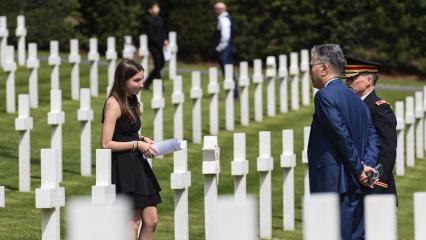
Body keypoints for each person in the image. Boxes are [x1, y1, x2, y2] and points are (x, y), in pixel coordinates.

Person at [307, 44, 379, 240]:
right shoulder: (358, 99)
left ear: (323, 68)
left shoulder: (324, 96)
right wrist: (366, 167)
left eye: (311, 65)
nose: (309, 71)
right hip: (357, 182)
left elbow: (340, 135)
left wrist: (358, 169)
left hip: (334, 181)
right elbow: (373, 135)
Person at [101, 59, 161, 240]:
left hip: (138, 164)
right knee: (132, 222)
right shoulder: (114, 104)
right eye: (136, 80)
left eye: (142, 79)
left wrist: (142, 139)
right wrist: (136, 144)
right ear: (122, 80)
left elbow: (127, 132)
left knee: (151, 221)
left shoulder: (132, 101)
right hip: (123, 167)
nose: (142, 84)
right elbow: (106, 143)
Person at [344, 56, 398, 200]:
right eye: (347, 78)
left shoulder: (380, 109)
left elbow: (387, 150)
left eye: (352, 78)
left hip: (372, 184)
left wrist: (375, 180)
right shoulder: (350, 106)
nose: (347, 82)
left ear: (369, 80)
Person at [214, 1, 238, 98]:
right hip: (226, 48)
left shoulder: (223, 20)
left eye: (215, 9)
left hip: (224, 50)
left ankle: (233, 94)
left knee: (227, 71)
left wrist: (219, 48)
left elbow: (225, 36)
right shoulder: (224, 18)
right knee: (228, 71)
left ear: (219, 9)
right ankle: (232, 93)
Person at [143, 1, 168, 90]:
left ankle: (147, 82)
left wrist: (165, 39)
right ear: (150, 10)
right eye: (155, 7)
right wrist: (158, 43)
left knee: (162, 63)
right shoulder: (148, 19)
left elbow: (163, 31)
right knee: (157, 65)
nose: (158, 9)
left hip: (161, 45)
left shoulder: (160, 19)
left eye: (158, 7)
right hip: (153, 46)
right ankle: (159, 85)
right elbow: (151, 34)